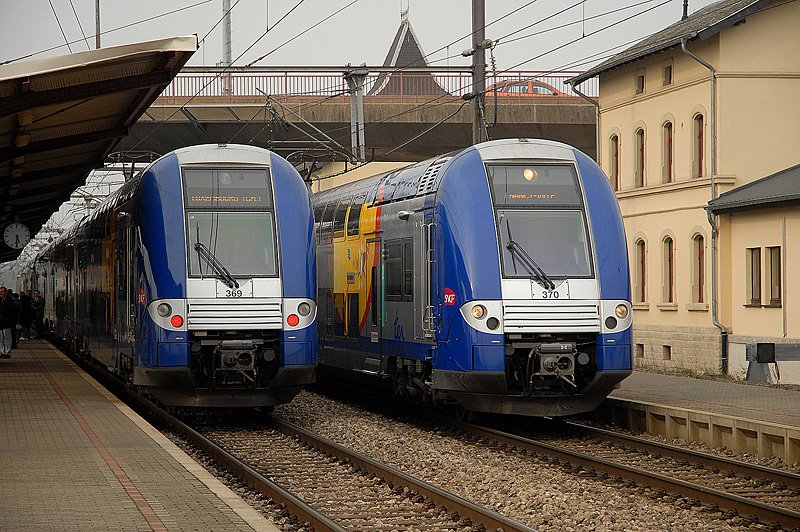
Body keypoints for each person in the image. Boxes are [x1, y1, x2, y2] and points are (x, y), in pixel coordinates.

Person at [0, 286, 18, 358]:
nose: (1, 293)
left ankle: (7, 352)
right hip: (0, 323)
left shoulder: (10, 301)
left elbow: (14, 312)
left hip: (7, 323)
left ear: (6, 292)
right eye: (0, 292)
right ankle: (2, 351)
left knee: (7, 338)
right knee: (0, 338)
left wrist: (13, 322)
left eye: (2, 292)